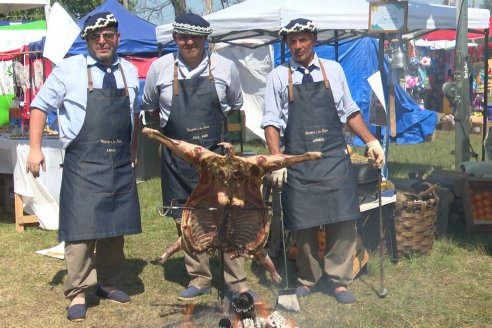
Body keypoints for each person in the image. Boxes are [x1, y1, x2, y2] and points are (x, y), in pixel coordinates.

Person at [26, 12, 141, 321]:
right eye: (95, 36)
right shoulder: (69, 70)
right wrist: (35, 148)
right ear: (87, 40)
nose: (102, 41)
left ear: (117, 37)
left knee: (114, 231)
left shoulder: (130, 71)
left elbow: (135, 115)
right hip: (83, 163)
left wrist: (133, 150)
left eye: (108, 35)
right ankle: (77, 292)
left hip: (118, 164)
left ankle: (107, 283)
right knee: (79, 233)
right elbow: (39, 106)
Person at [262, 18, 385, 304]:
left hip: (333, 157)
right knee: (303, 222)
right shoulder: (278, 76)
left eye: (303, 39)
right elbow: (271, 122)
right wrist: (277, 158)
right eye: (292, 41)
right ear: (287, 45)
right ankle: (308, 277)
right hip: (299, 159)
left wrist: (370, 140)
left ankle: (339, 281)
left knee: (342, 219)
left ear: (314, 40)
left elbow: (350, 111)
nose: (298, 46)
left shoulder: (334, 70)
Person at [142, 13, 251, 300]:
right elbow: (151, 106)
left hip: (216, 158)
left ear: (206, 39)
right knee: (186, 219)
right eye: (183, 36)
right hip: (178, 161)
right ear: (175, 38)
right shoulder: (160, 68)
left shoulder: (226, 68)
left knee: (227, 216)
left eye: (196, 37)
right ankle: (199, 278)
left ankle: (237, 281)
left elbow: (235, 105)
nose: (189, 42)